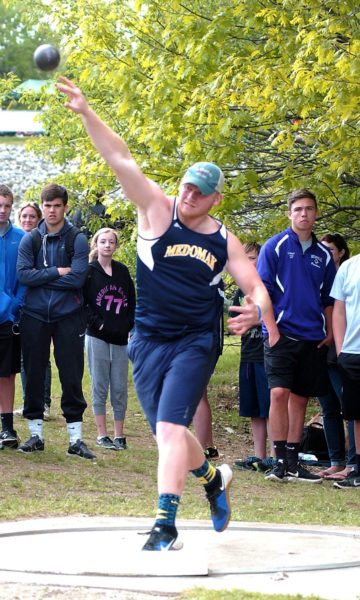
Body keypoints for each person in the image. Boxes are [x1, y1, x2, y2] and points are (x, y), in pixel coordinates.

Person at [56, 76, 272, 551]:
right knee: (165, 434)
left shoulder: (222, 238)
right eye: (188, 186)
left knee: (173, 427)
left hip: (197, 339)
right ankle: (214, 480)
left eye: (202, 191)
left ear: (216, 198)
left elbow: (255, 286)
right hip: (148, 338)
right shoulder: (156, 207)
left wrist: (256, 312)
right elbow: (119, 157)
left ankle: (165, 525)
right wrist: (88, 111)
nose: (191, 195)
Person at [255, 189, 337, 483]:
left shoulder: (324, 255)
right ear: (289, 213)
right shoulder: (274, 246)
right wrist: (272, 331)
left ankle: (292, 461)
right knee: (278, 394)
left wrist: (329, 333)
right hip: (280, 333)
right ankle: (277, 461)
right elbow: (261, 290)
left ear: (316, 214)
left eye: (309, 209)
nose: (304, 214)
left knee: (300, 401)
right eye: (298, 209)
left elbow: (328, 299)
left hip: (313, 337)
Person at [16, 183, 95, 459]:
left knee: (71, 375)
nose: (52, 211)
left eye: (57, 205)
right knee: (34, 374)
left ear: (65, 207)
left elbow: (78, 278)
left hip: (68, 316)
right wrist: (57, 271)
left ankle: (76, 440)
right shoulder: (31, 240)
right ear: (42, 207)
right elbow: (24, 276)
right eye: (47, 206)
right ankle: (35, 434)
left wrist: (44, 277)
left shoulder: (78, 239)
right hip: (35, 315)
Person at [84, 227, 135, 450]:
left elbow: (132, 303)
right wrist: (100, 324)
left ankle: (119, 435)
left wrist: (127, 326)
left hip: (121, 338)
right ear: (95, 245)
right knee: (100, 385)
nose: (107, 245)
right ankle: (101, 434)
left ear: (116, 246)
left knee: (119, 387)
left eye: (111, 242)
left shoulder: (122, 272)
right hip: (97, 336)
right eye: (103, 241)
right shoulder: (88, 272)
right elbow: (83, 305)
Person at [231, 242, 275, 471]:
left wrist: (254, 318)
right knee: (254, 409)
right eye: (246, 258)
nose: (250, 262)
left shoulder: (269, 286)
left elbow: (275, 316)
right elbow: (234, 322)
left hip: (267, 355)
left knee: (270, 408)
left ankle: (275, 456)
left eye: (254, 257)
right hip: (247, 354)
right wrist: (251, 319)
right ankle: (259, 455)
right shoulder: (241, 290)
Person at [317, 233, 356, 480]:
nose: (326, 254)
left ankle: (352, 463)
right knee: (328, 408)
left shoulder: (351, 273)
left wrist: (341, 348)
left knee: (350, 408)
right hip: (319, 350)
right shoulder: (318, 275)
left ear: (341, 251)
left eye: (330, 249)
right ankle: (335, 461)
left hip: (344, 351)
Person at [14, 201, 52, 421]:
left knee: (41, 356)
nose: (28, 220)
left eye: (32, 217)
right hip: (19, 306)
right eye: (24, 217)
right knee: (23, 358)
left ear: (39, 219)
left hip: (40, 305)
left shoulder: (43, 241)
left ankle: (44, 404)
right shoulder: (18, 239)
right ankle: (29, 403)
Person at [330, 251, 360, 489]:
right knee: (357, 414)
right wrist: (341, 351)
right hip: (353, 352)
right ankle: (357, 467)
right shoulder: (348, 267)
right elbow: (338, 311)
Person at [0, 184, 25, 450]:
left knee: (6, 374)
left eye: (7, 205)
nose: (3, 210)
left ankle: (7, 427)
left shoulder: (21, 238)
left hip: (9, 318)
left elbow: (25, 278)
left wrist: (14, 306)